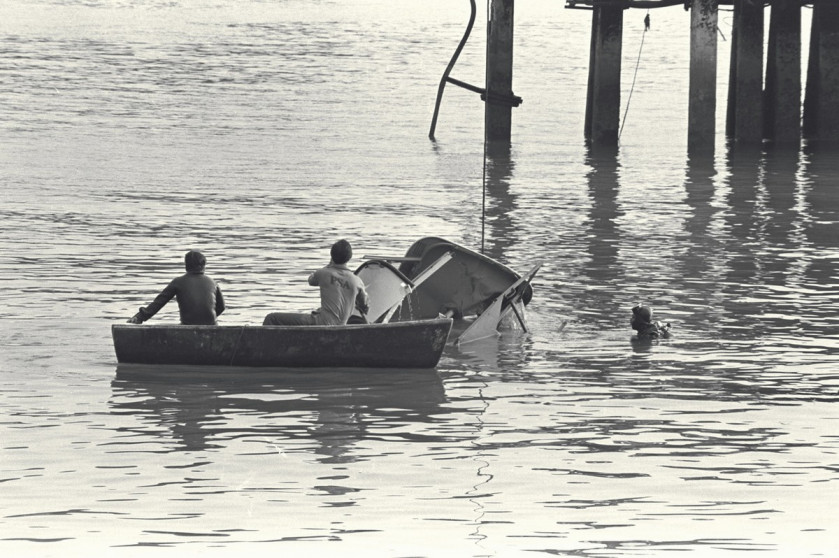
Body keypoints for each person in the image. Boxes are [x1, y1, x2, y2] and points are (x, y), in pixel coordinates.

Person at [263, 239, 369, 326]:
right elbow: (364, 306)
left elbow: (311, 280)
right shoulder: (357, 281)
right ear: (349, 258)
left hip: (320, 323)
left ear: (331, 256)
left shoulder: (323, 273)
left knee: (271, 318)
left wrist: (329, 265)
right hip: (341, 326)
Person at [127, 250, 225, 325]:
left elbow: (159, 302)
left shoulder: (178, 282)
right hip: (212, 326)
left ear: (186, 266)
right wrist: (205, 319)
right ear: (203, 266)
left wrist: (139, 317)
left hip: (187, 327)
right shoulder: (213, 283)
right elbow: (221, 307)